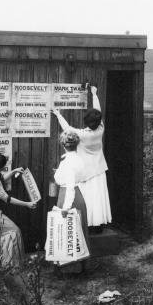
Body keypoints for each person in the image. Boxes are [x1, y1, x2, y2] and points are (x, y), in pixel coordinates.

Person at [52, 85, 112, 231]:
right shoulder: (100, 129)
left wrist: (58, 114)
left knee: (88, 200)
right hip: (99, 170)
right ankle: (99, 225)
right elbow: (98, 112)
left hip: (85, 173)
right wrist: (94, 94)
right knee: (99, 200)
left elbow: (67, 128)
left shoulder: (83, 134)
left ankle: (87, 225)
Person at [54, 131, 90, 273]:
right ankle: (81, 265)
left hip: (68, 196)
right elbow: (82, 177)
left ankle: (70, 269)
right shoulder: (79, 159)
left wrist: (66, 207)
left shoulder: (67, 162)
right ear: (77, 144)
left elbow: (69, 187)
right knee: (78, 230)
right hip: (79, 194)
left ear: (63, 145)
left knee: (67, 231)